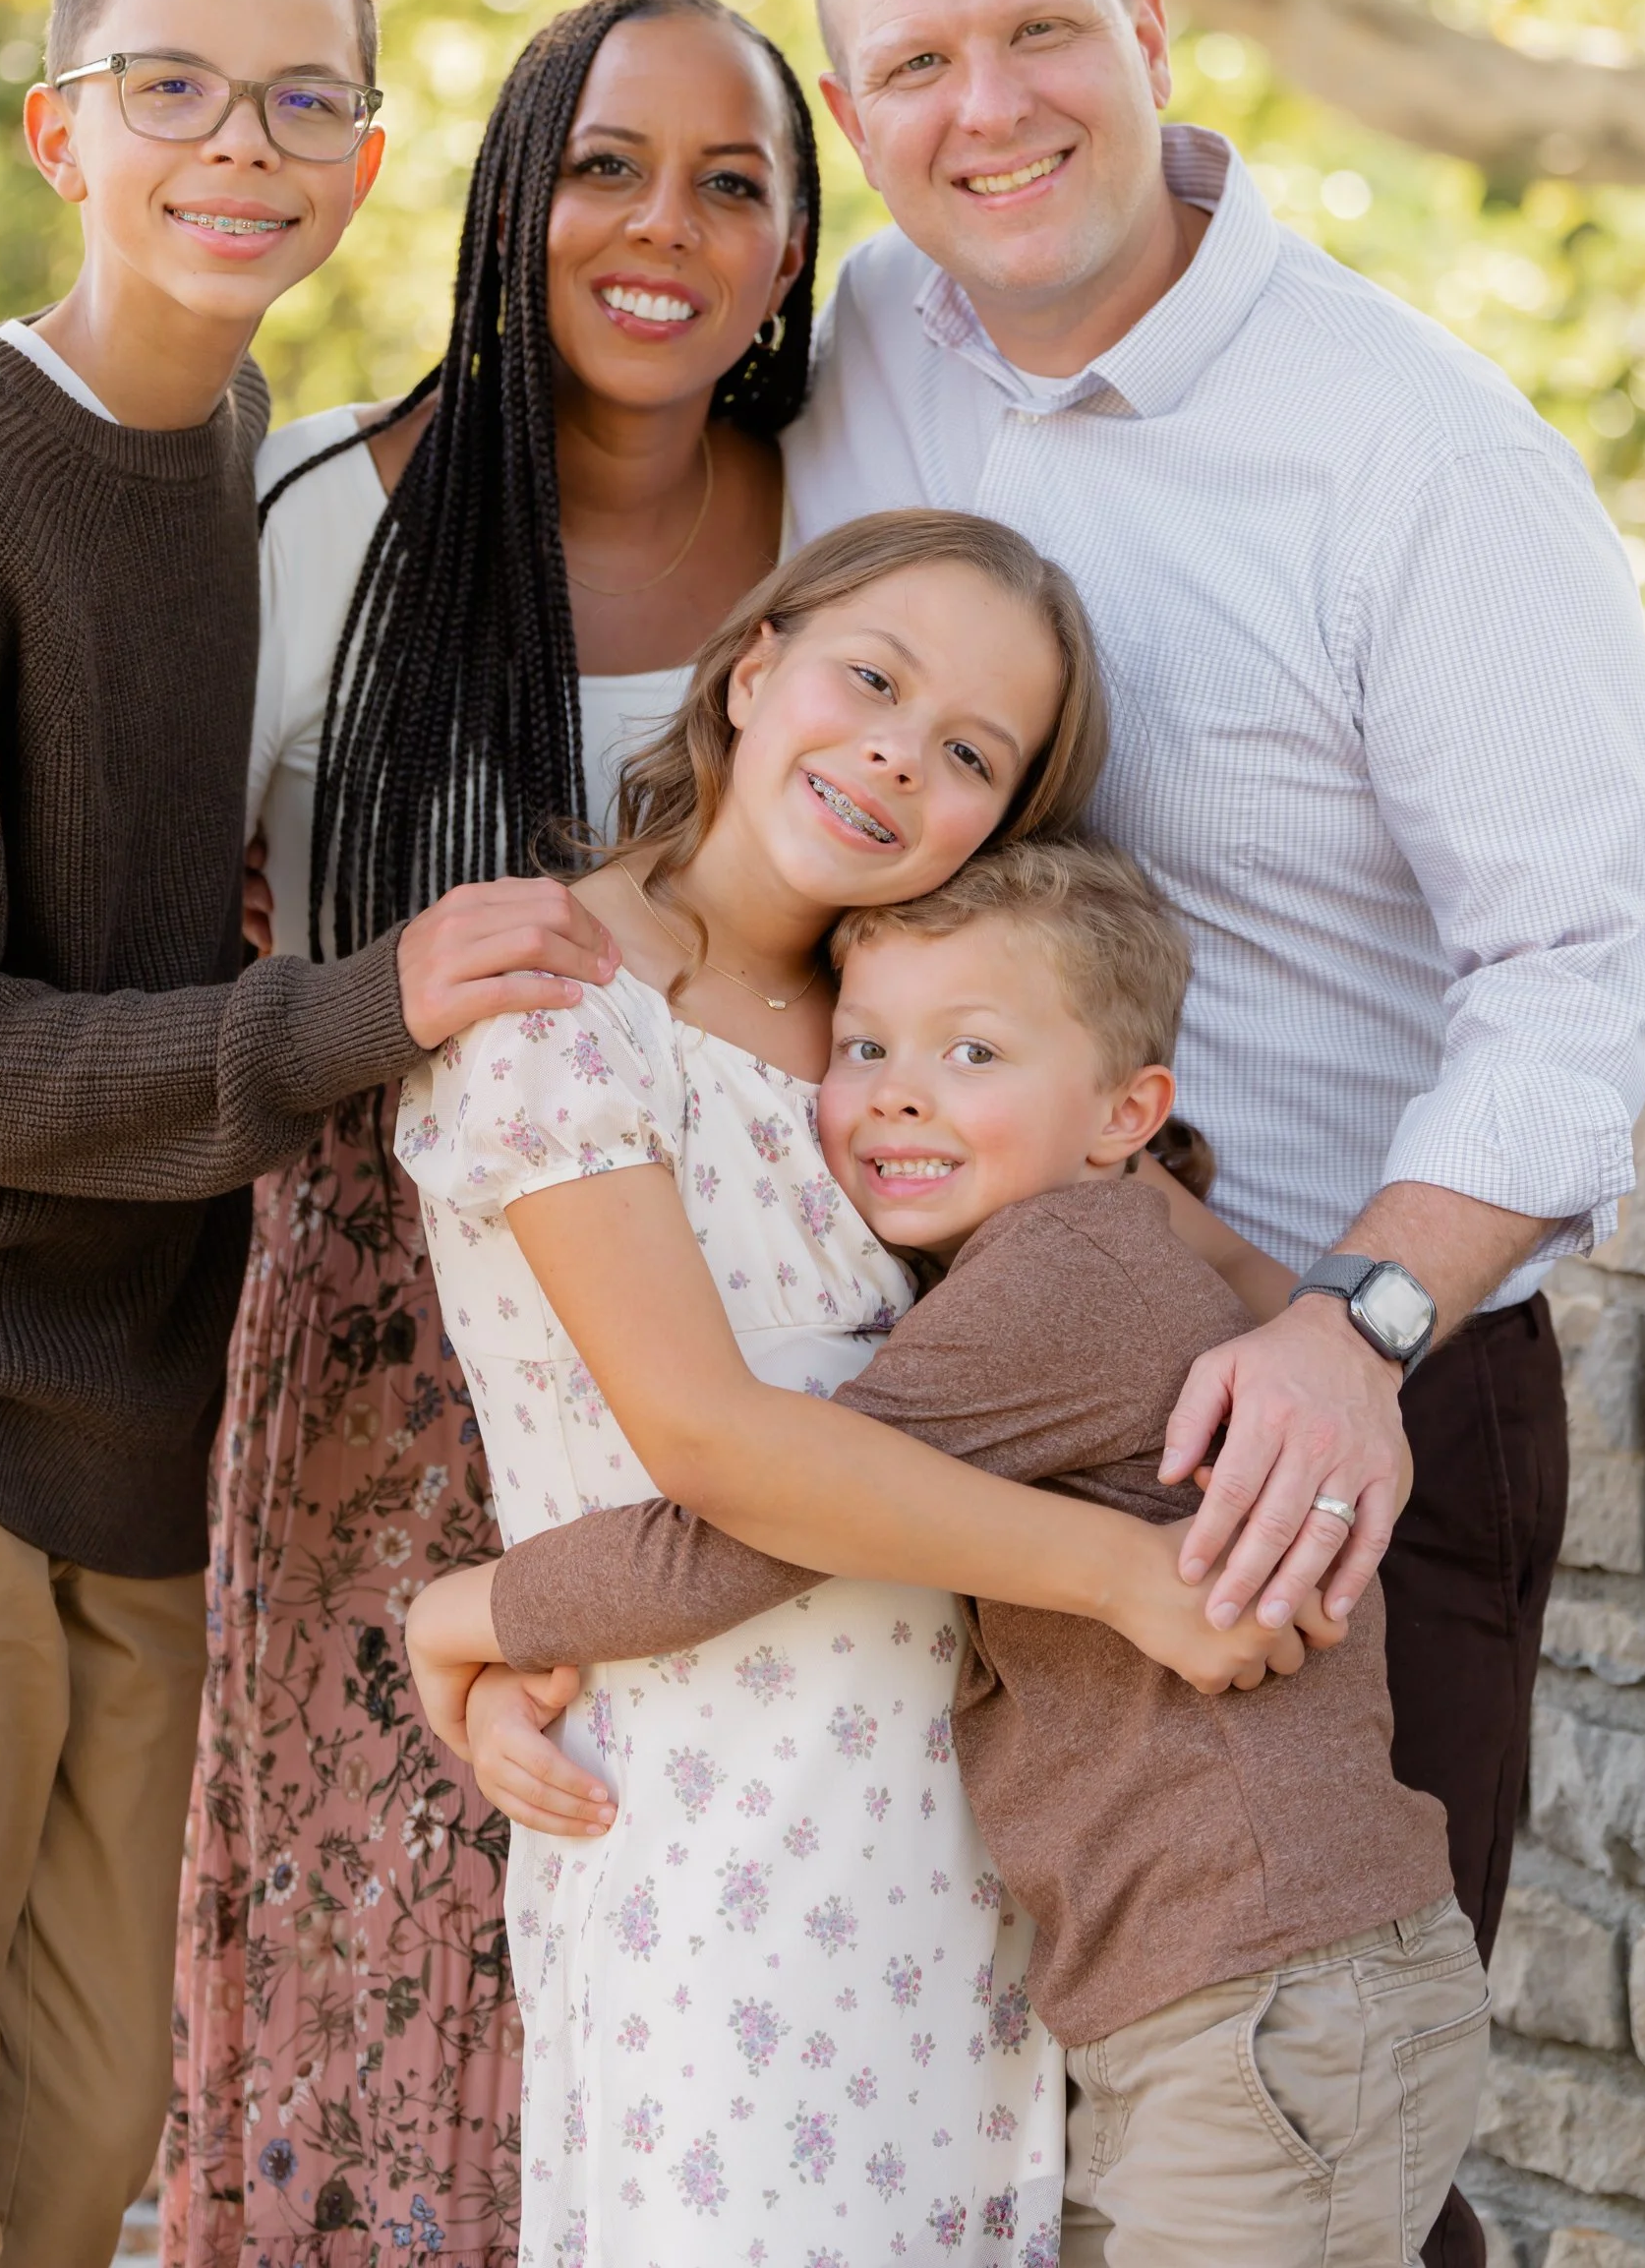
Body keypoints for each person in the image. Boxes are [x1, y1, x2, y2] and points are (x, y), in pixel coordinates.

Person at [778, 0, 1645, 2268]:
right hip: (949, 1421)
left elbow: (1585, 969)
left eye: (1039, 28)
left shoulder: (1417, 454)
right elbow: (554, 495)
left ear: (1150, 32)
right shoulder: (852, 344)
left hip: (1325, 1420)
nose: (992, 103)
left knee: (1309, 2150)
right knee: (978, 2154)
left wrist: (1351, 1327)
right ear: (860, 119)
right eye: (918, 63)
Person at [0, 0, 611, 2268]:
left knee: (89, 2142)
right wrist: (361, 998)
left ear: (368, 156)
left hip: (145, 1421)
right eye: (176, 88)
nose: (241, 142)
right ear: (61, 129)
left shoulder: (273, 487)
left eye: (303, 95)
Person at [394, 512, 1333, 2268]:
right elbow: (716, 1445)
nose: (902, 751)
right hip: (713, 1838)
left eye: (971, 751)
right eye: (872, 680)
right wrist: (1129, 1575)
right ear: (756, 670)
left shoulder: (903, 1037)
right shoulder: (558, 1011)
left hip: (986, 1853)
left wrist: (1344, 1351)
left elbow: (1235, 1293)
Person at [163, 0, 824, 2264]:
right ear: (506, 188)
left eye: (734, 181)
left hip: (740, 1374)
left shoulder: (847, 540)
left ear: (793, 242)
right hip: (380, 1362)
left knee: (694, 2016)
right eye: (607, 164)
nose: (666, 227)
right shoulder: (316, 522)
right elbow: (129, 903)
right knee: (385, 1999)